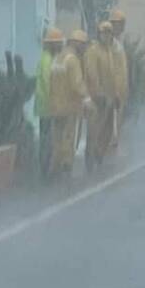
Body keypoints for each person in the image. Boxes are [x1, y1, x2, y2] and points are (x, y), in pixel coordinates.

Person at [48, 29, 93, 180]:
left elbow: (51, 83)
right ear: (77, 44)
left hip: (55, 107)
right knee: (68, 138)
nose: (84, 48)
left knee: (57, 139)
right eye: (83, 45)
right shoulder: (72, 60)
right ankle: (66, 166)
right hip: (69, 106)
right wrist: (87, 99)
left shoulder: (57, 58)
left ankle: (54, 167)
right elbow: (77, 83)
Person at [82, 21, 116, 171]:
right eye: (104, 33)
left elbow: (112, 75)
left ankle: (99, 154)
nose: (106, 36)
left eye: (109, 33)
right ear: (99, 34)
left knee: (106, 129)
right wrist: (98, 93)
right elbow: (92, 74)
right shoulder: (93, 51)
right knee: (93, 129)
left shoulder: (109, 51)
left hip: (108, 98)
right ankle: (90, 158)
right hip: (96, 98)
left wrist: (115, 95)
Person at [34, 27, 64, 179]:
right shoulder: (47, 60)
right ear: (52, 44)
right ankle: (45, 169)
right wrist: (55, 101)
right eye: (58, 43)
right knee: (47, 139)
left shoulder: (49, 58)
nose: (61, 45)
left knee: (47, 138)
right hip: (47, 106)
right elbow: (48, 83)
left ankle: (46, 167)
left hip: (46, 106)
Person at [107, 9, 130, 153]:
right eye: (119, 24)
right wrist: (113, 90)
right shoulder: (109, 44)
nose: (121, 27)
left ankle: (112, 144)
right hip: (112, 90)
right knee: (110, 121)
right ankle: (107, 147)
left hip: (121, 90)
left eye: (122, 24)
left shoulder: (117, 43)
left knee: (117, 120)